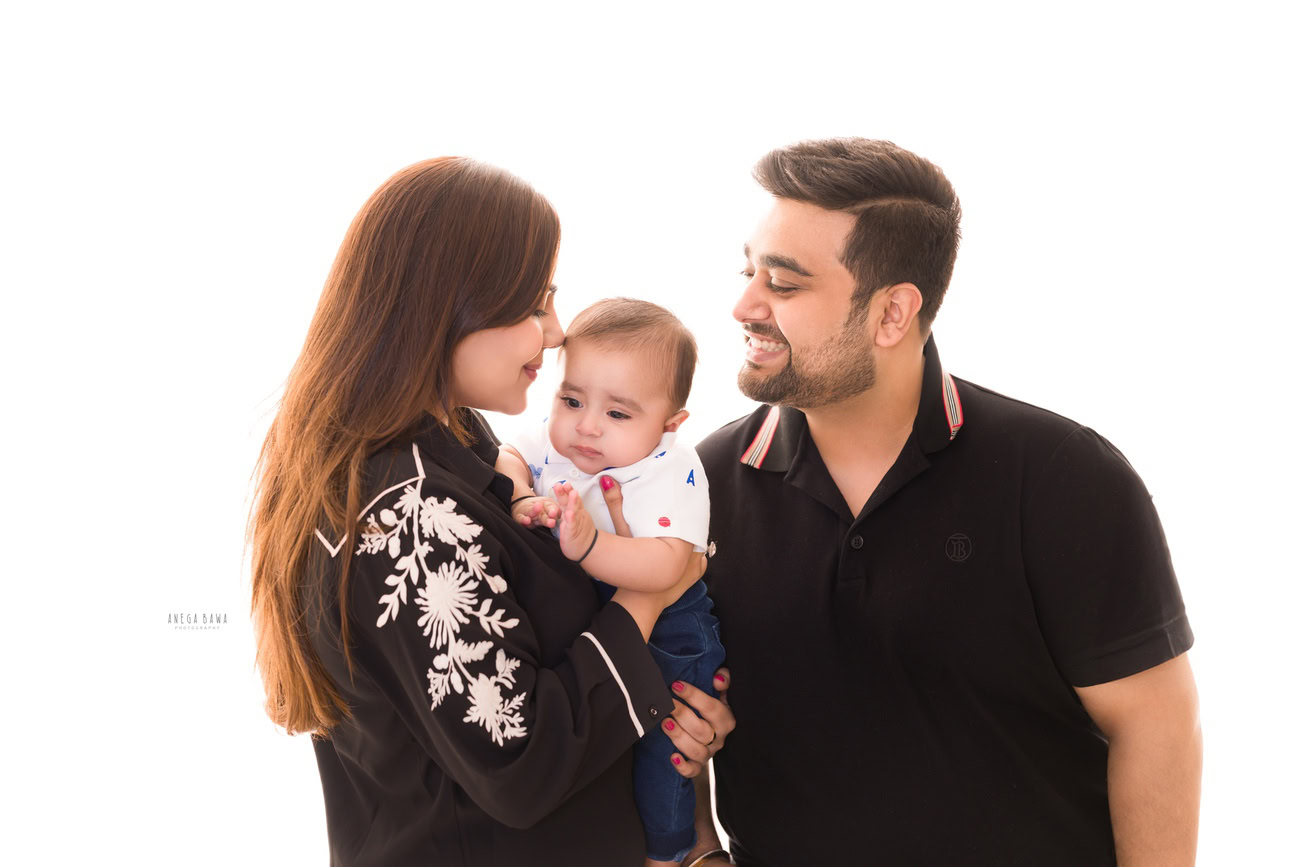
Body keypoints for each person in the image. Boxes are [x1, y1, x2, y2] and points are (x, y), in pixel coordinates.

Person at [685, 138, 1201, 866]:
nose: (744, 304)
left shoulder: (1062, 477)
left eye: (785, 284)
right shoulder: (698, 487)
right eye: (749, 271)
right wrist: (701, 854)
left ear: (892, 313)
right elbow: (664, 710)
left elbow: (1154, 727)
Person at [247, 157, 734, 866]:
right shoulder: (403, 513)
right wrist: (646, 595)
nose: (558, 331)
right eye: (534, 305)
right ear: (445, 308)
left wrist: (671, 716)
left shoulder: (458, 442)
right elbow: (520, 763)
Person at [495, 298, 725, 865]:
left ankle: (669, 853)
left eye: (618, 414)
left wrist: (594, 545)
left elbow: (670, 568)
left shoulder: (673, 469)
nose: (587, 425)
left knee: (663, 751)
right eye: (571, 400)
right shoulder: (561, 441)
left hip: (671, 632)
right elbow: (508, 452)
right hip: (605, 619)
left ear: (670, 425)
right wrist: (521, 494)